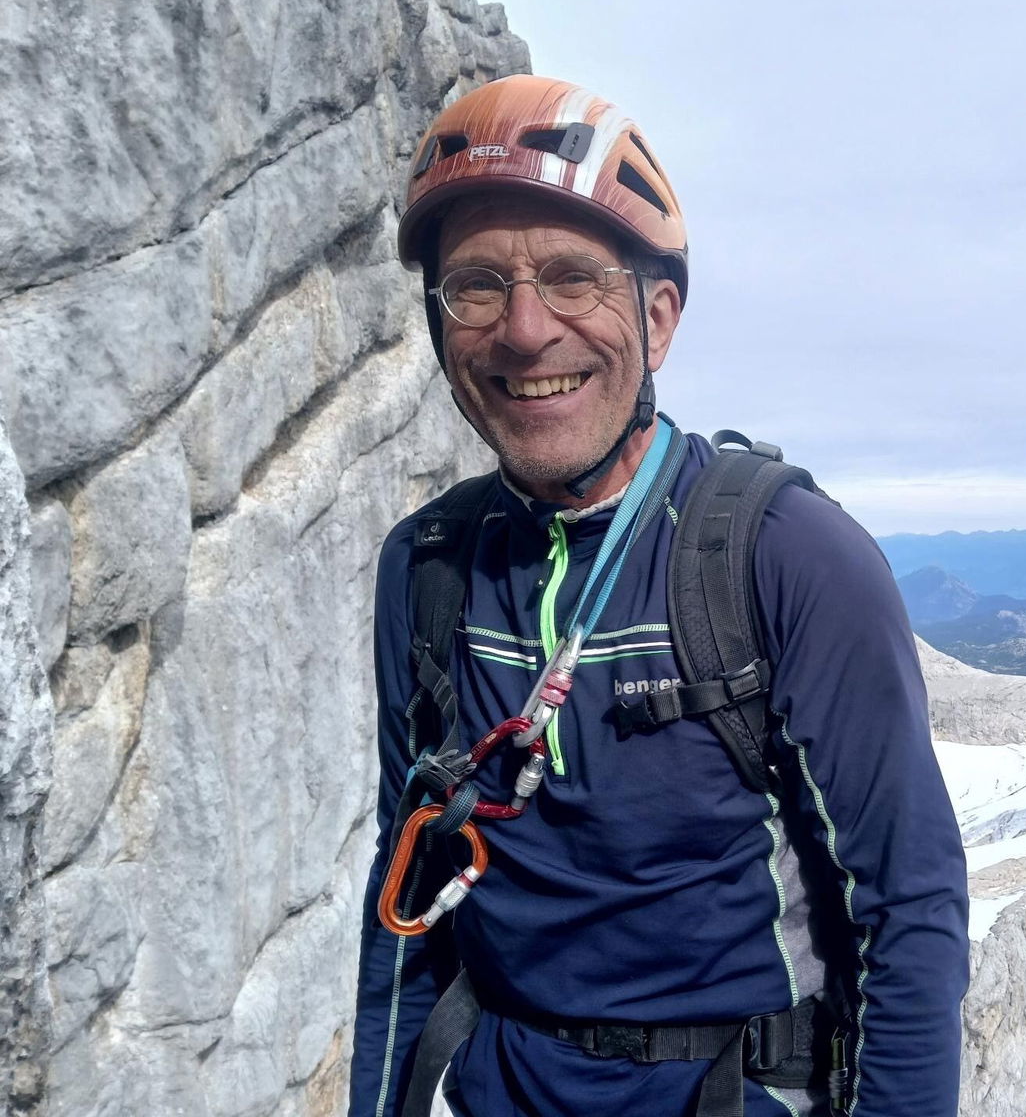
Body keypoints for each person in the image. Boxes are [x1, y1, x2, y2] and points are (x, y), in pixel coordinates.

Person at [348, 74, 969, 1117]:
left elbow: (907, 912)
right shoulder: (428, 565)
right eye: (477, 286)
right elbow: (406, 889)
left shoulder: (787, 556)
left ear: (660, 315)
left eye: (573, 277)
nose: (526, 329)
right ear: (440, 326)